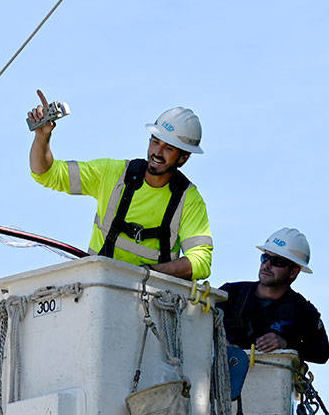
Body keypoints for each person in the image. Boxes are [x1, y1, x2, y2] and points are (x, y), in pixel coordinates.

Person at [27, 90, 213, 281]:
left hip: (153, 302)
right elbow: (47, 173)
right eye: (155, 142)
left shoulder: (188, 199)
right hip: (99, 290)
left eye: (169, 148)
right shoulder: (113, 174)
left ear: (183, 157)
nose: (158, 152)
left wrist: (146, 273)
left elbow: (201, 262)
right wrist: (42, 136)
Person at [220, 228, 329, 363]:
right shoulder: (231, 293)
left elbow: (322, 353)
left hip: (269, 381)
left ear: (293, 273)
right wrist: (221, 341)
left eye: (277, 262)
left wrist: (285, 344)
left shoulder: (303, 311)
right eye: (265, 257)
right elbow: (199, 320)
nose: (267, 265)